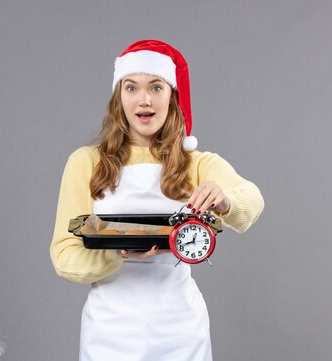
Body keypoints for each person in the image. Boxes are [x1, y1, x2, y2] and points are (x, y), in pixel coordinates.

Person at [49, 39, 264, 361]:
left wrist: (225, 199)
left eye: (156, 87)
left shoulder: (196, 162)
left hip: (180, 328)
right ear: (118, 97)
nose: (144, 100)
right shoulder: (87, 162)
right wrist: (116, 254)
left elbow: (252, 202)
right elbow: (64, 257)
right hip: (110, 330)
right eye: (132, 88)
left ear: (172, 96)